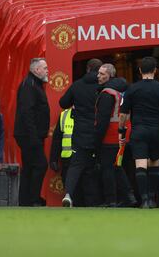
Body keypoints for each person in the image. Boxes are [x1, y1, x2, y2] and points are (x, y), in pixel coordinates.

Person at [118, 56, 159, 208]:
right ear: (155, 70)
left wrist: (121, 130)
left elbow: (123, 114)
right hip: (158, 131)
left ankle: (144, 199)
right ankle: (152, 198)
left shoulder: (132, 89)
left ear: (139, 71)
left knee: (141, 164)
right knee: (154, 163)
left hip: (139, 131)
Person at [59, 60, 102, 208]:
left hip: (80, 131)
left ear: (87, 68)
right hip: (99, 132)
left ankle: (68, 194)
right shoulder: (103, 86)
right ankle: (101, 200)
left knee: (76, 165)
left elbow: (63, 103)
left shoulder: (77, 85)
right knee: (98, 166)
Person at [94, 63, 136, 207]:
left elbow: (102, 120)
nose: (98, 76)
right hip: (123, 132)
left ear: (110, 76)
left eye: (102, 74)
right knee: (117, 166)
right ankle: (129, 196)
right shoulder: (122, 91)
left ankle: (111, 200)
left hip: (110, 135)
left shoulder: (107, 93)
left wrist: (97, 140)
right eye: (98, 73)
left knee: (107, 167)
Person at [14, 57, 50, 207]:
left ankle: (26, 200)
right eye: (45, 68)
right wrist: (34, 136)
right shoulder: (29, 85)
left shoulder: (33, 84)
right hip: (29, 135)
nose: (48, 70)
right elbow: (26, 112)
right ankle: (33, 199)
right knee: (40, 165)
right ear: (36, 70)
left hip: (31, 134)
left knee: (29, 167)